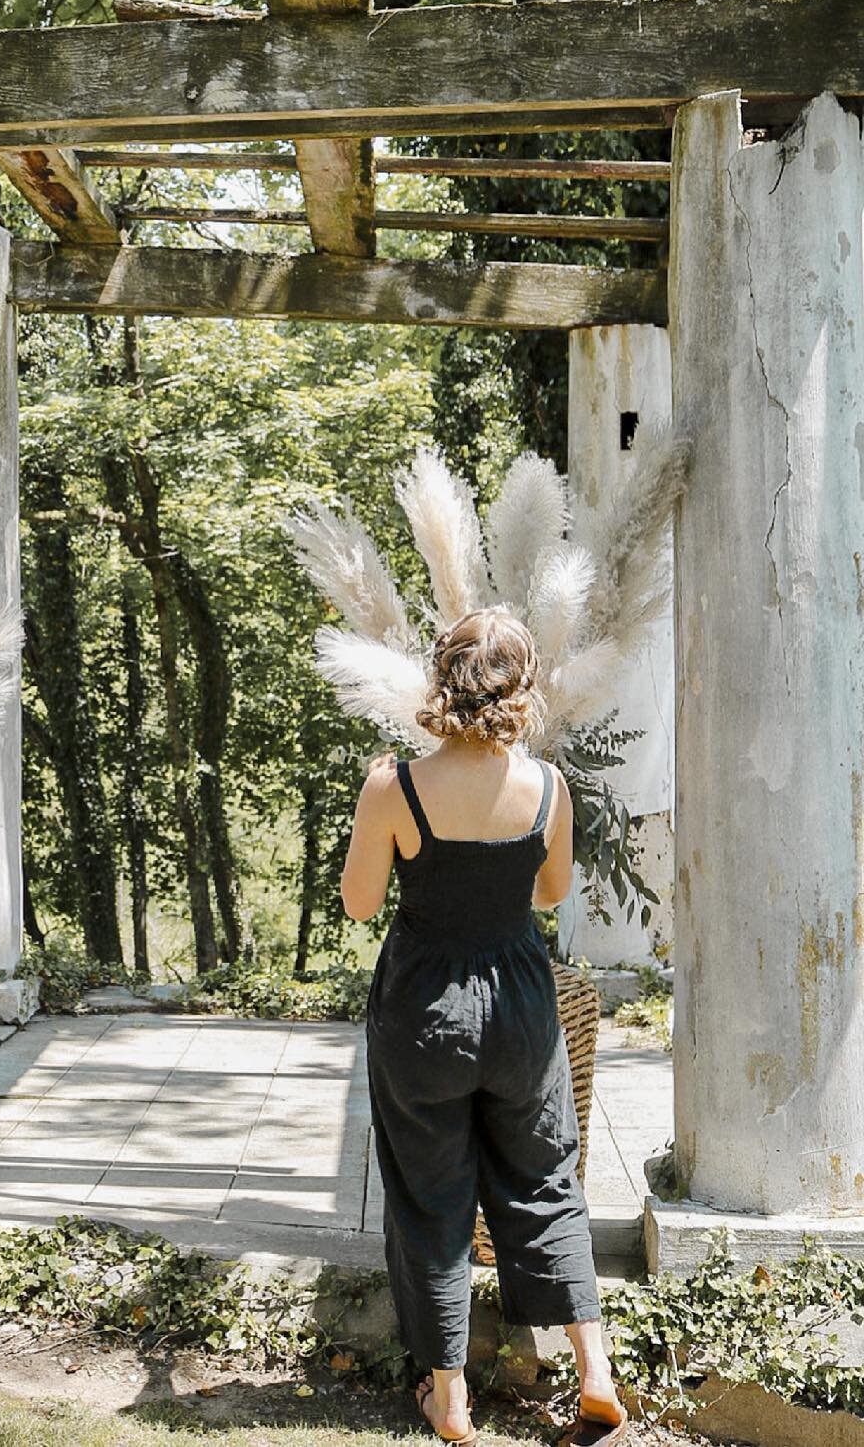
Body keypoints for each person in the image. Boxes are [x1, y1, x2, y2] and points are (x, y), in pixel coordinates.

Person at [341, 606, 627, 1447]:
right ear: (522, 687)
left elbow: (361, 905)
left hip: (422, 1014)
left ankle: (452, 1398)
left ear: (442, 680)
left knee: (431, 1195)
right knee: (545, 1180)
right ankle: (596, 1373)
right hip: (521, 1013)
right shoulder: (549, 787)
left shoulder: (393, 784)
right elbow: (550, 890)